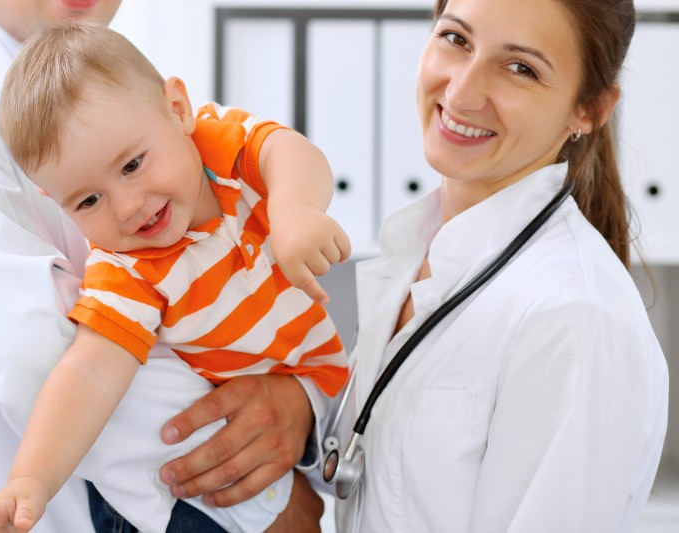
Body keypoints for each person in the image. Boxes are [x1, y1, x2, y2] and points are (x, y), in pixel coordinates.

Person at [0, 1, 326, 532]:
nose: (131, 207)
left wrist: (296, 400)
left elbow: (280, 150)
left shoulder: (156, 112)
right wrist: (267, 501)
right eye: (88, 200)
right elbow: (42, 351)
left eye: (133, 165)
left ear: (177, 107)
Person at [282, 0, 670, 531]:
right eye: (456, 39)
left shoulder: (573, 318)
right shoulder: (416, 252)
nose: (461, 92)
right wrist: (294, 413)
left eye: (521, 68)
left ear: (591, 110)